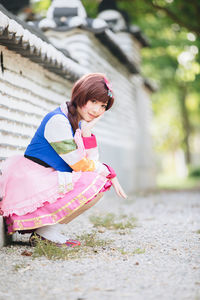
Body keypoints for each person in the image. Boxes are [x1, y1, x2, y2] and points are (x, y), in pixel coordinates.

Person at [0, 73, 127, 247]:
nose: (97, 110)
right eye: (94, 101)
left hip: (44, 177)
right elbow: (80, 165)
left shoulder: (76, 123)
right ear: (81, 95)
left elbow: (88, 164)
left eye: (103, 105)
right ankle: (45, 233)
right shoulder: (59, 121)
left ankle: (46, 232)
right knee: (97, 180)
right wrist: (108, 171)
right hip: (31, 181)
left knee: (97, 182)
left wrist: (87, 134)